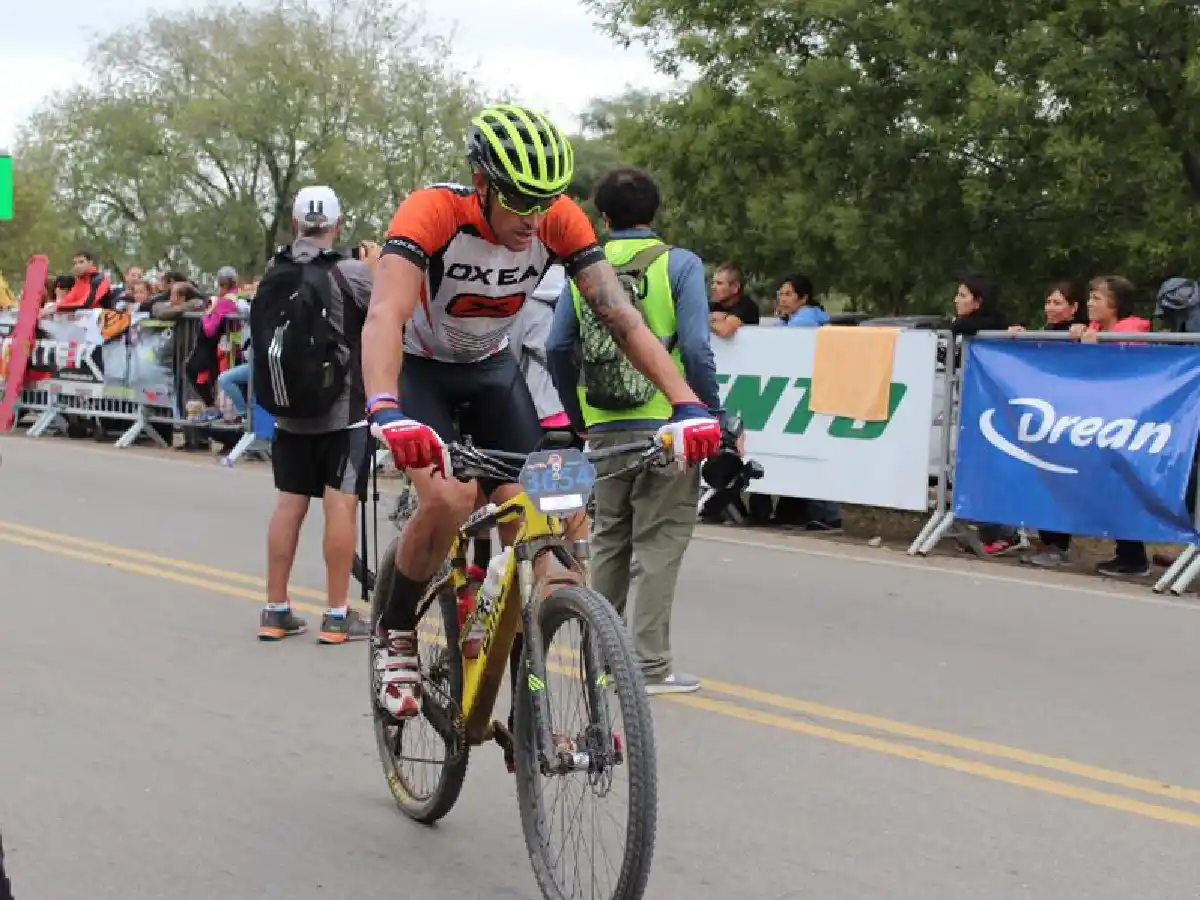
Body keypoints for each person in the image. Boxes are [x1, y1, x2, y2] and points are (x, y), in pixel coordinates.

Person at [361, 104, 722, 719]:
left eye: (545, 200)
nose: (534, 218)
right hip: (421, 370)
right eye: (520, 201)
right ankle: (396, 634)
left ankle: (532, 680)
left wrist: (688, 404)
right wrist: (386, 408)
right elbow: (385, 313)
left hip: (491, 373)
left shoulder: (557, 218)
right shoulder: (433, 212)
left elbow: (620, 317)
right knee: (449, 500)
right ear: (483, 185)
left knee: (550, 517)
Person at [546, 166, 725, 694]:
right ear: (655, 213)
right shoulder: (681, 264)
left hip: (603, 424)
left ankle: (598, 657)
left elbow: (558, 348)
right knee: (660, 540)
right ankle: (647, 666)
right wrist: (704, 410)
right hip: (668, 424)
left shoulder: (585, 269)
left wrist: (578, 417)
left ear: (602, 217)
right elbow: (695, 347)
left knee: (608, 540)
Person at [256, 186, 376, 644]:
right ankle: (336, 614)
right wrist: (378, 263)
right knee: (339, 504)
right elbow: (392, 309)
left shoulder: (275, 270)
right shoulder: (352, 272)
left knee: (290, 502)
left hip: (288, 412)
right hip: (342, 414)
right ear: (337, 226)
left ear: (294, 223)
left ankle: (275, 608)